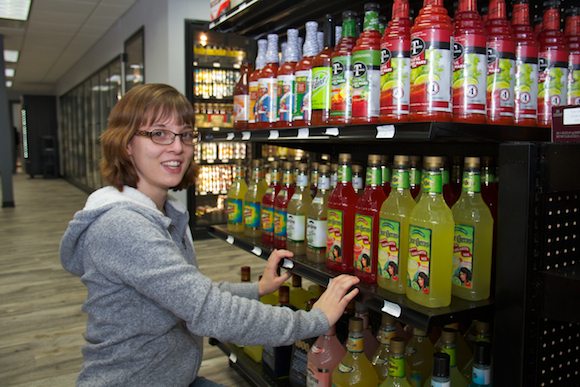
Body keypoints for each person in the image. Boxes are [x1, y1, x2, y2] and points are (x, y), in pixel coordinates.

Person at [59, 83, 360, 387]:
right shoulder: (124, 225)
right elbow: (208, 311)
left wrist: (257, 288)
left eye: (186, 134)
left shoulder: (166, 212)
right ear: (125, 144)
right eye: (158, 133)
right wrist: (314, 321)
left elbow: (186, 292)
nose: (177, 147)